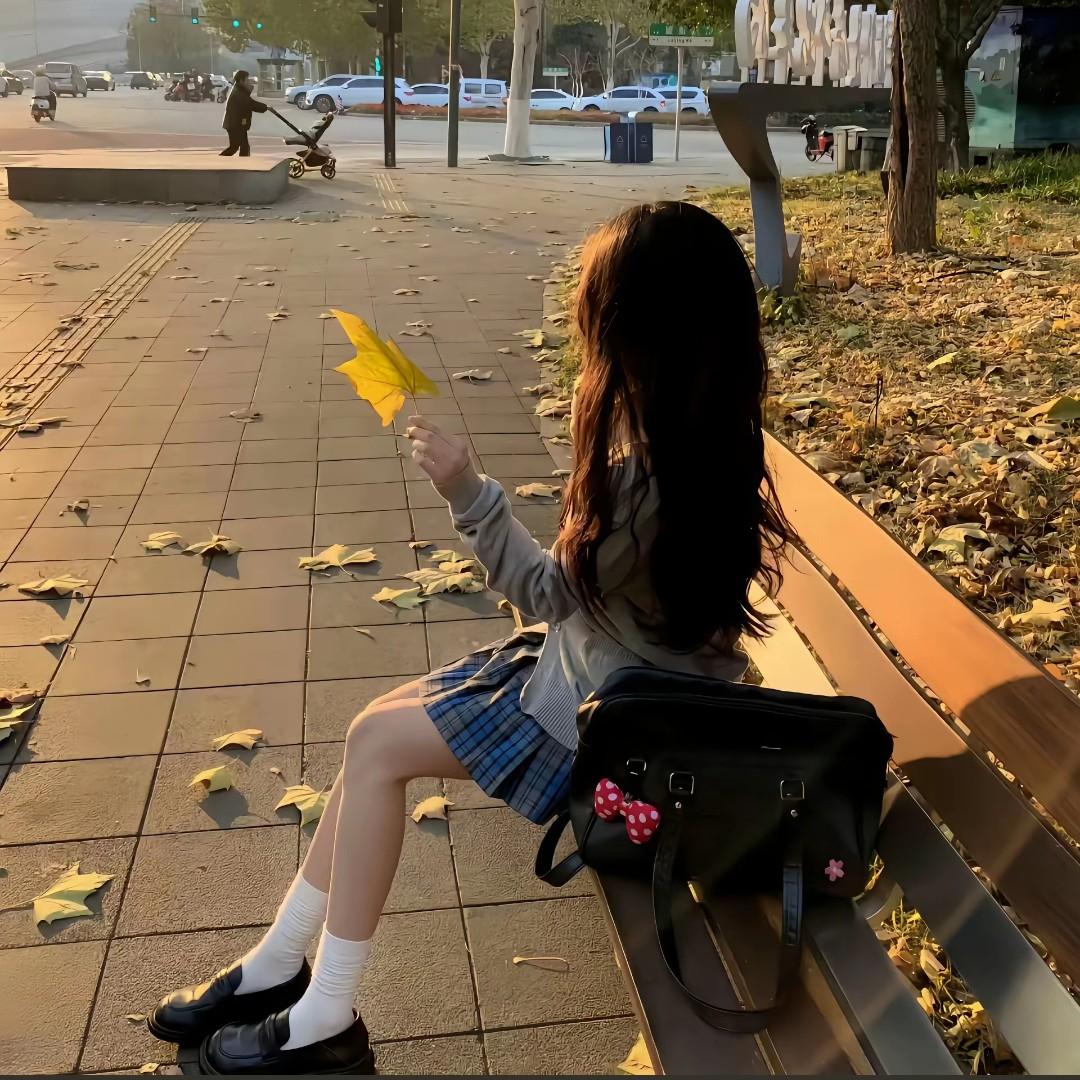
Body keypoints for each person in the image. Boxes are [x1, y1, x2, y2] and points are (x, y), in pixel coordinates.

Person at [147, 201, 796, 1074]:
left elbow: (543, 593)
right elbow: (589, 598)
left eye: (592, 316)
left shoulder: (648, 479)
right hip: (618, 679)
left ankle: (324, 1017)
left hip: (620, 726)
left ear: (634, 335)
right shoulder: (704, 440)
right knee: (374, 729)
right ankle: (279, 963)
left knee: (377, 748)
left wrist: (468, 490)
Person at [220, 69, 266, 157]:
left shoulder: (240, 90)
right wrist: (265, 107)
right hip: (234, 124)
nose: (248, 81)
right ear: (241, 80)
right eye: (247, 79)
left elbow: (249, 101)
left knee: (242, 147)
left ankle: (242, 161)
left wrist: (264, 107)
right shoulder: (238, 93)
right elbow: (250, 104)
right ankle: (220, 160)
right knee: (235, 147)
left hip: (237, 123)